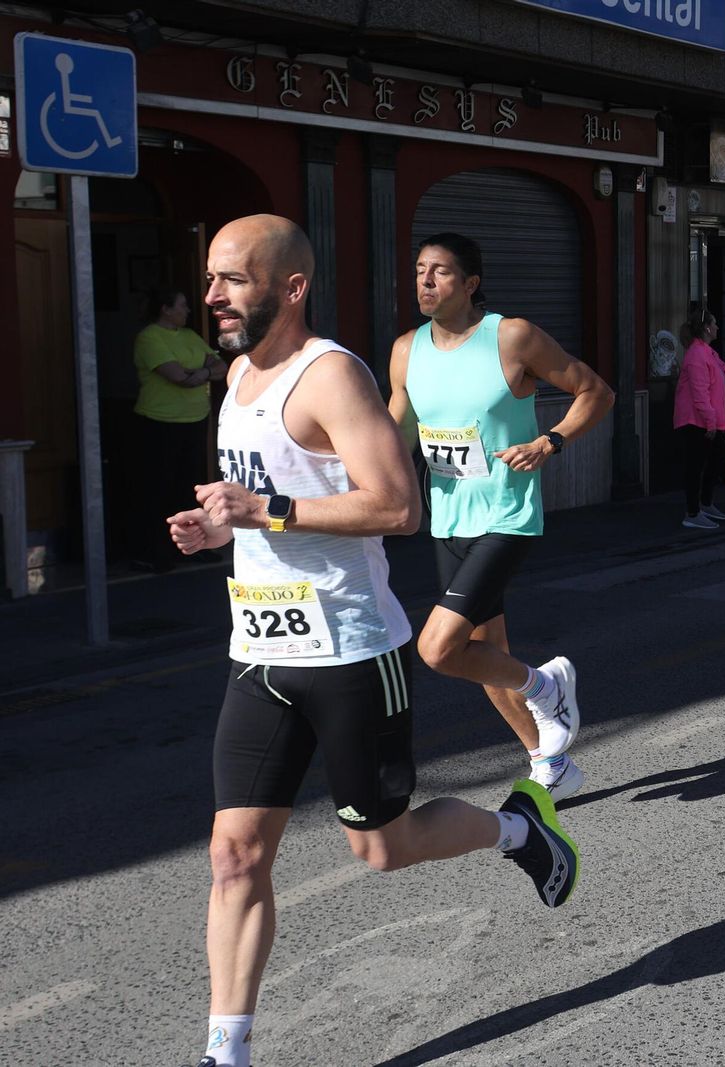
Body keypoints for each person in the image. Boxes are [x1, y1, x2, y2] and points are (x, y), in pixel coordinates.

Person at [169, 215, 577, 1067]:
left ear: (291, 286)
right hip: (261, 651)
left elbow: (397, 506)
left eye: (233, 279)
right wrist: (221, 529)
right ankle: (226, 1051)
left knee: (381, 847)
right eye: (211, 278)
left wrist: (268, 510)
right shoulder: (239, 375)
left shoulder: (332, 377)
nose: (213, 296)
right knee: (235, 854)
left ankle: (519, 831)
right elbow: (262, 502)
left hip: (352, 654)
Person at [386, 232, 612, 800]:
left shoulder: (511, 337)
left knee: (439, 648)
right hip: (448, 519)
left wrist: (550, 442)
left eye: (439, 271)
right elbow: (396, 436)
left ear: (470, 283)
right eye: (419, 271)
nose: (426, 281)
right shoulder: (406, 350)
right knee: (483, 653)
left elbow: (596, 392)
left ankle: (546, 684)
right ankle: (548, 761)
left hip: (506, 514)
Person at [132, 286, 226, 570]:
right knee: (159, 488)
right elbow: (177, 377)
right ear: (166, 309)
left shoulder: (189, 336)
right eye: (182, 305)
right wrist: (203, 372)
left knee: (191, 488)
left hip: (195, 421)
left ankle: (192, 546)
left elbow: (220, 367)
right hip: (160, 423)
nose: (187, 311)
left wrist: (201, 373)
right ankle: (153, 551)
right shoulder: (150, 337)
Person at [674, 305, 725, 529]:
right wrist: (711, 422)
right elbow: (699, 394)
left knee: (714, 462)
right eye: (714, 323)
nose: (717, 327)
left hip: (709, 420)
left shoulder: (708, 352)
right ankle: (692, 512)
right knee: (696, 467)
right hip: (696, 421)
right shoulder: (697, 354)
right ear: (706, 328)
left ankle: (704, 504)